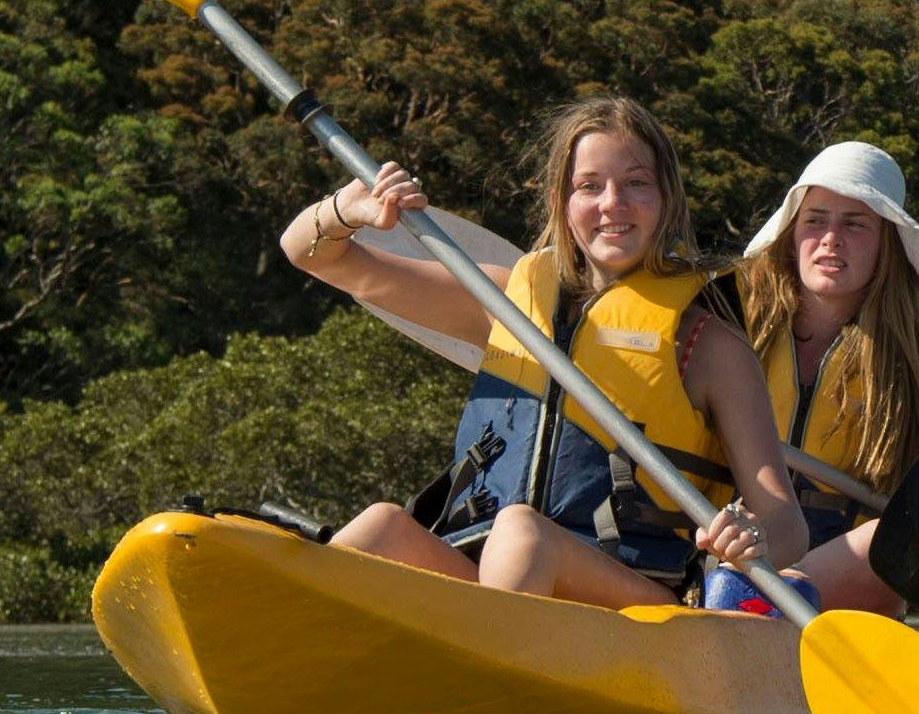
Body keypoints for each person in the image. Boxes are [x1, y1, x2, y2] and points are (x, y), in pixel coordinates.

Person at [278, 92, 818, 607]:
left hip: (630, 597)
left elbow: (786, 523)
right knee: (383, 527)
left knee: (521, 534)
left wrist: (752, 535)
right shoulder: (505, 300)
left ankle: (489, 683)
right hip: (494, 580)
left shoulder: (708, 345)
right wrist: (345, 211)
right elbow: (313, 256)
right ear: (563, 201)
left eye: (636, 183)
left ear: (666, 198)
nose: (613, 204)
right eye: (590, 186)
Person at [729, 139, 919, 547]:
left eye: (854, 224)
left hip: (836, 563)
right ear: (791, 234)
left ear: (886, 243)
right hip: (732, 543)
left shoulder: (911, 370)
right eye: (815, 220)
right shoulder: (733, 325)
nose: (831, 238)